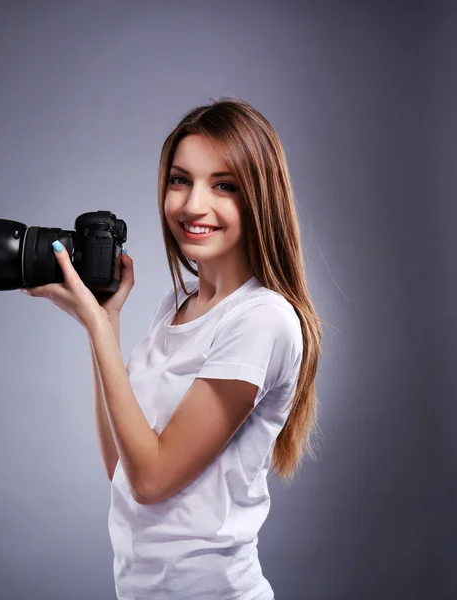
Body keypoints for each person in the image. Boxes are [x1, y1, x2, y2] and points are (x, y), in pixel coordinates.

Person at [21, 97, 324, 600]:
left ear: (260, 198)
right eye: (180, 179)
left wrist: (97, 330)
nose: (191, 205)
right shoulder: (178, 304)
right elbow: (123, 469)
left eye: (223, 185)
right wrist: (108, 324)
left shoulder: (263, 319)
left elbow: (152, 480)